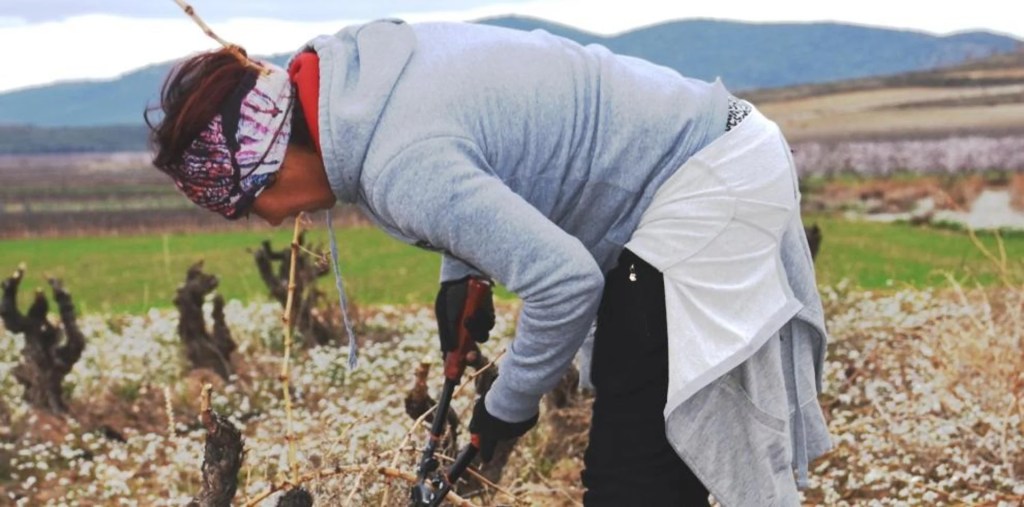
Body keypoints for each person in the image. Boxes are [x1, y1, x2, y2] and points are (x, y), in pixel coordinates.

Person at [147, 18, 831, 506]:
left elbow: (566, 283)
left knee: (632, 474)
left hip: (705, 182)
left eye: (252, 199)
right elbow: (486, 152)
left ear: (275, 155)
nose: (269, 218)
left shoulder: (397, 164)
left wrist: (506, 409)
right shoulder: (362, 86)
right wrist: (461, 276)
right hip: (707, 152)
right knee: (650, 447)